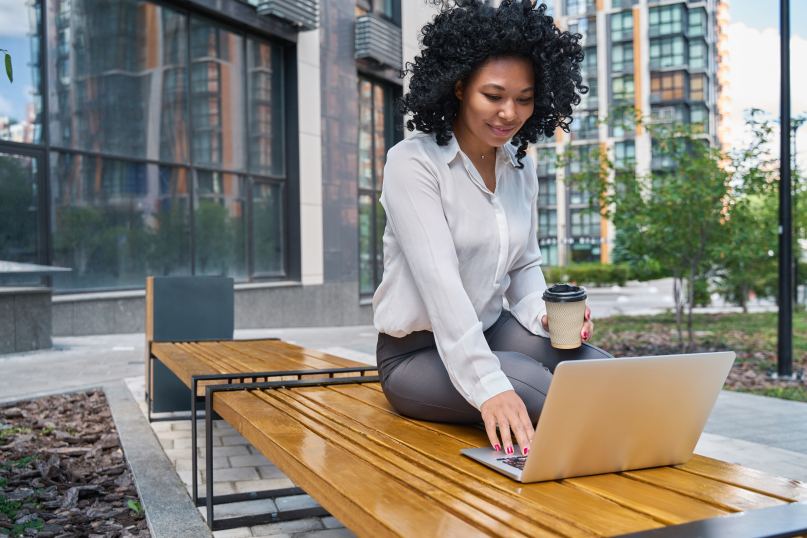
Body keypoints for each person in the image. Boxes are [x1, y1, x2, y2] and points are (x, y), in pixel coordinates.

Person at [372, 0, 612, 458]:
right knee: (536, 388)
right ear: (459, 86)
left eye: (524, 99)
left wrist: (545, 316)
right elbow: (441, 287)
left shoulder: (520, 168)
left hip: (491, 329)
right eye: (494, 95)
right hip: (415, 354)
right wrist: (488, 387)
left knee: (600, 372)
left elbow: (526, 265)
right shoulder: (414, 162)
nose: (509, 113)